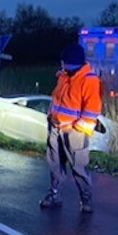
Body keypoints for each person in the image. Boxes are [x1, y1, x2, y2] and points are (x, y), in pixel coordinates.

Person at [39, 43, 101, 213]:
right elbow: (57, 100)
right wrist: (51, 118)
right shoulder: (63, 76)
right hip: (56, 127)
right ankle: (54, 194)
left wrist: (78, 127)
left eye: (64, 62)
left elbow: (92, 109)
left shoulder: (89, 79)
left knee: (78, 167)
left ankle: (86, 199)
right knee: (55, 164)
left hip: (75, 132)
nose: (62, 64)